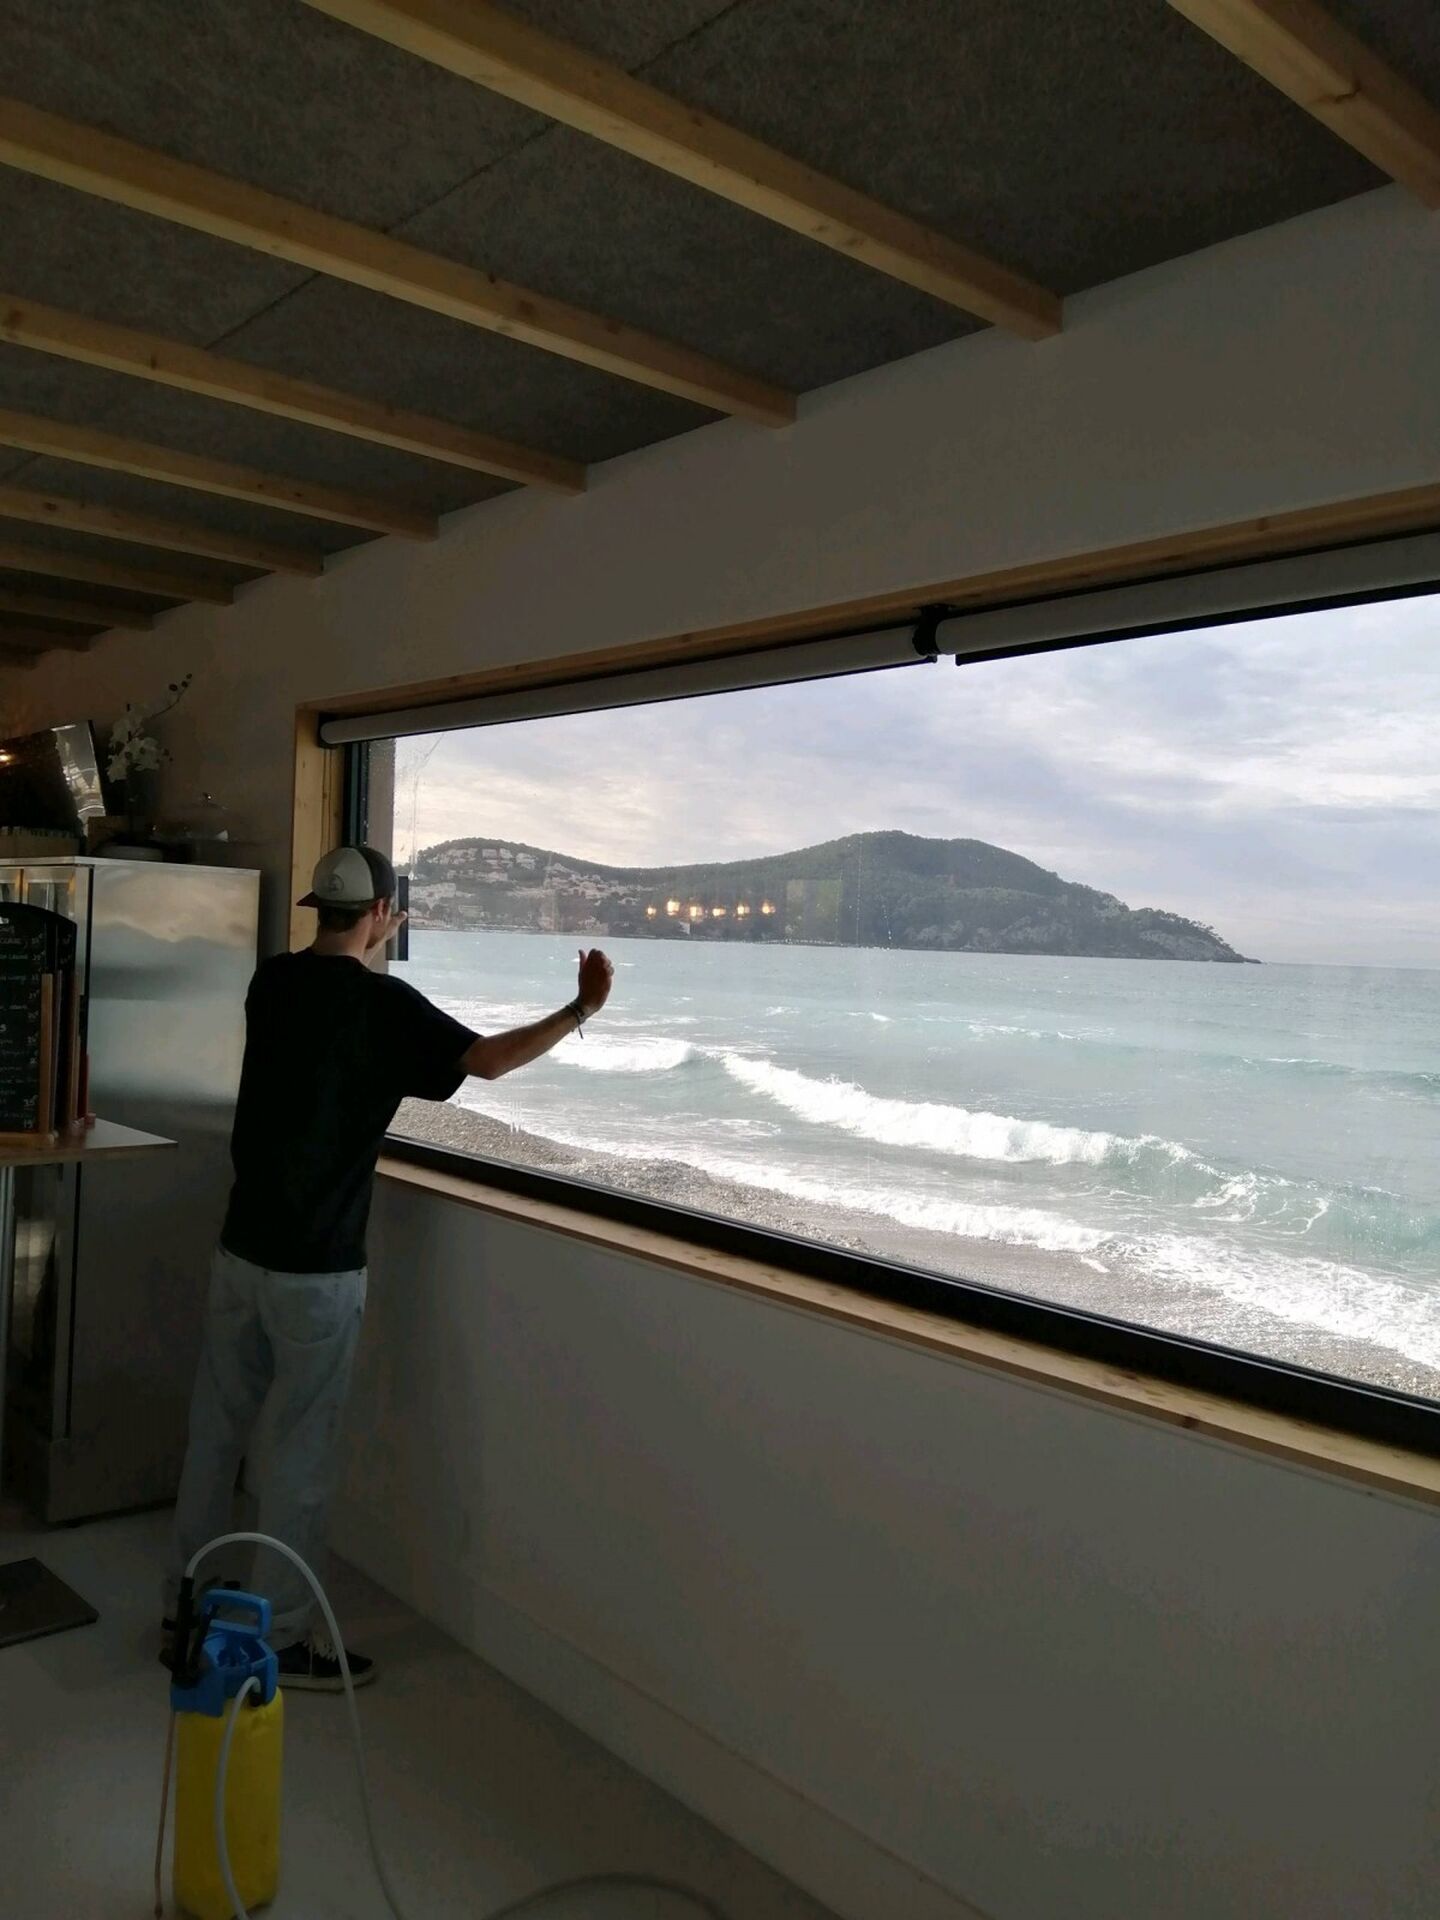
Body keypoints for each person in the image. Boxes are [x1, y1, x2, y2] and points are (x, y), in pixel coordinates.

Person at [163, 843, 613, 1690]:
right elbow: (488, 1060)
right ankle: (281, 1639)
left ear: (318, 908)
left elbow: (324, 1026)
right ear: (380, 914)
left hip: (241, 1249)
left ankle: (183, 1612)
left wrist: (366, 942)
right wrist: (580, 1006)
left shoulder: (271, 984)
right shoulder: (384, 1006)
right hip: (317, 1273)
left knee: (215, 1434)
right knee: (298, 1458)